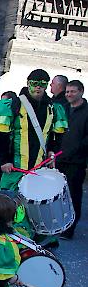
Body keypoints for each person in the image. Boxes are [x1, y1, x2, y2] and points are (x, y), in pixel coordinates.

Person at [0, 69, 67, 245]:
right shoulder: (12, 105)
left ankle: (33, 241)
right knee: (8, 205)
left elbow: (57, 136)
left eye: (42, 84)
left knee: (36, 207)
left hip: (38, 169)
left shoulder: (53, 108)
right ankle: (5, 240)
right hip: (15, 167)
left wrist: (52, 151)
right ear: (28, 83)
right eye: (34, 83)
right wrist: (3, 160)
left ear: (47, 86)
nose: (38, 87)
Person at [56, 80, 87, 240]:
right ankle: (59, 224)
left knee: (73, 195)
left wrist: (73, 151)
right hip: (59, 160)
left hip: (76, 162)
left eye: (72, 91)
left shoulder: (87, 112)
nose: (68, 94)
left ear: (81, 92)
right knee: (59, 195)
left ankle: (70, 229)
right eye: (67, 91)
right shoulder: (63, 109)